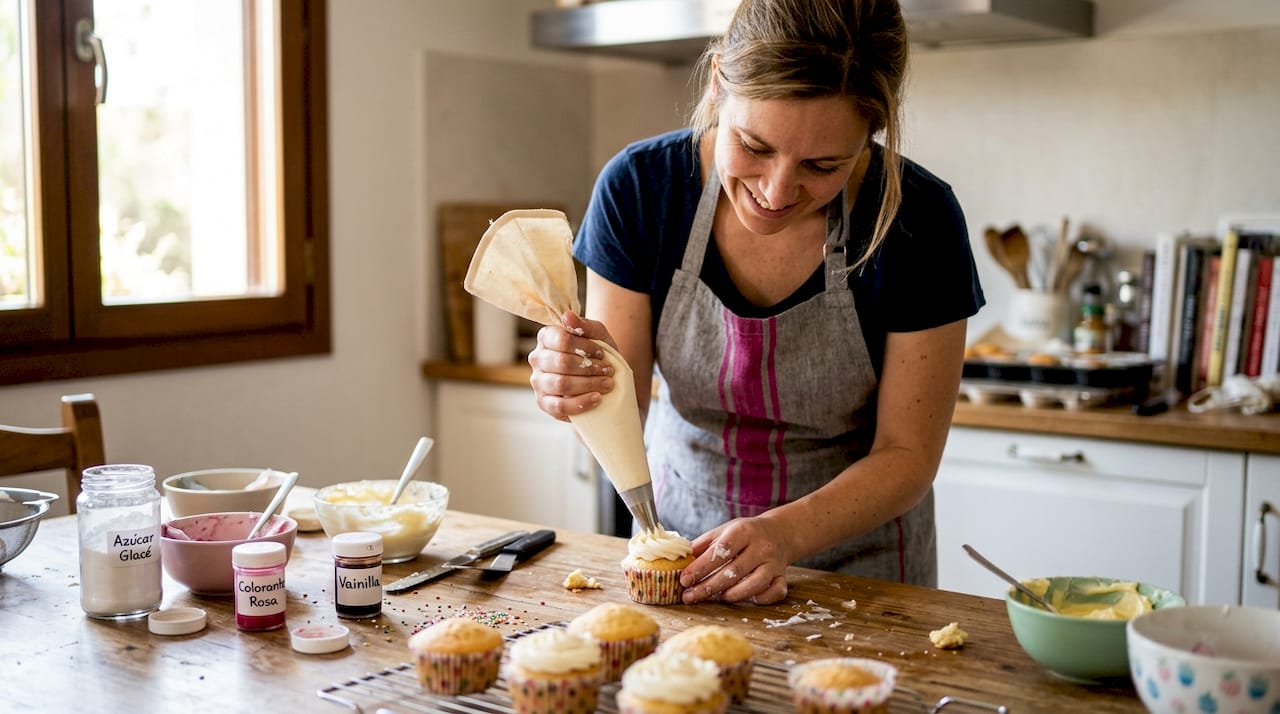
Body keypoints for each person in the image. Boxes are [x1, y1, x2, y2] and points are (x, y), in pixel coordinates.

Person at [528, 0, 984, 605]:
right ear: (719, 83)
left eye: (823, 165)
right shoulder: (641, 191)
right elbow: (621, 407)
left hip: (862, 575)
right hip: (682, 555)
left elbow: (907, 456)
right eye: (754, 145)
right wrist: (579, 387)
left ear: (871, 132)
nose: (776, 190)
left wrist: (783, 533)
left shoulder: (919, 219)